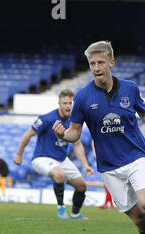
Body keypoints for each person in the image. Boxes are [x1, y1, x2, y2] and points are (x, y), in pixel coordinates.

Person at [52, 41, 145, 234]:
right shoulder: (82, 97)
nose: (96, 67)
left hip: (135, 156)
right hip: (108, 166)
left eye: (101, 62)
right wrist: (64, 135)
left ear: (111, 62)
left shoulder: (130, 88)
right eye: (92, 63)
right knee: (140, 220)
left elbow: (144, 111)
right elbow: (75, 132)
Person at [14, 89, 94, 220]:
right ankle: (61, 209)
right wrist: (19, 154)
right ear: (59, 103)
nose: (68, 106)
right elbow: (28, 134)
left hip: (62, 160)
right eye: (65, 103)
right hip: (42, 158)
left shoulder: (73, 121)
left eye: (70, 103)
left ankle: (75, 214)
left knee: (81, 186)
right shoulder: (47, 118)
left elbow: (77, 144)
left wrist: (85, 165)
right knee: (59, 173)